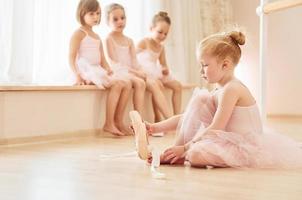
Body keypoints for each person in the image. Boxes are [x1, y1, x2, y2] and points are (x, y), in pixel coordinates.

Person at [133, 30, 302, 168]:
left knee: (196, 154)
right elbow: (188, 118)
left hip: (244, 147)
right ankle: (174, 155)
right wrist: (154, 128)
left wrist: (185, 148)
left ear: (225, 65)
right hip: (226, 140)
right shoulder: (217, 90)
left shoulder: (232, 89)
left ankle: (180, 153)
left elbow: (216, 127)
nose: (201, 71)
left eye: (205, 65)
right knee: (200, 100)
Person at [69, 0, 131, 136]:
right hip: (86, 70)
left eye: (98, 13)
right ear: (82, 13)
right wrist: (77, 75)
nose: (96, 17)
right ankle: (109, 123)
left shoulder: (97, 36)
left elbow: (102, 59)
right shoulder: (79, 33)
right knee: (117, 84)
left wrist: (108, 69)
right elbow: (71, 57)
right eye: (92, 14)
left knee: (125, 84)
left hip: (97, 69)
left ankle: (118, 121)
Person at [136, 11, 182, 121]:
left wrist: (165, 69)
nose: (162, 36)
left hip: (156, 72)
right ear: (151, 28)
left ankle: (178, 117)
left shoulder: (161, 47)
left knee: (178, 86)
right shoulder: (144, 42)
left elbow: (163, 64)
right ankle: (159, 118)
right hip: (143, 71)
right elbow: (133, 59)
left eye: (166, 34)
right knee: (158, 86)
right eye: (160, 32)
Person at [104, 3, 146, 115]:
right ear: (108, 22)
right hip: (118, 71)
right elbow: (114, 62)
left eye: (122, 18)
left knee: (142, 82)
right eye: (115, 19)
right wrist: (135, 72)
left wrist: (140, 71)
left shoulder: (129, 40)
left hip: (130, 72)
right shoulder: (109, 39)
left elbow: (134, 61)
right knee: (140, 82)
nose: (120, 21)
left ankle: (138, 119)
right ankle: (137, 121)